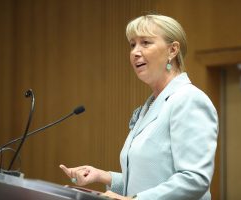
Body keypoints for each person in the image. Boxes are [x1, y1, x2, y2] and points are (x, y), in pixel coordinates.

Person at [60, 14, 218, 200]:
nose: (135, 51)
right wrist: (103, 176)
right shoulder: (150, 105)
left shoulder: (188, 99)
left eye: (145, 43)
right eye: (132, 44)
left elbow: (195, 179)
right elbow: (149, 180)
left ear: (173, 50)